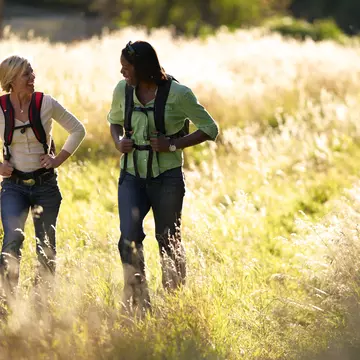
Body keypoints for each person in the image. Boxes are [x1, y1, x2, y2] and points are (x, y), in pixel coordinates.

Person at [108, 40, 219, 313]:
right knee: (128, 239)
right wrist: (118, 140)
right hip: (132, 175)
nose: (122, 73)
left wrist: (172, 144)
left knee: (168, 240)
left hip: (167, 177)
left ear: (142, 67)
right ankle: (139, 304)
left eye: (126, 68)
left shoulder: (178, 94)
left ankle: (174, 304)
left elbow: (210, 128)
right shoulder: (122, 90)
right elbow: (113, 122)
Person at [0, 55, 86, 302]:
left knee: (45, 246)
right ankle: (5, 302)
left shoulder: (46, 103)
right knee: (13, 238)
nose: (32, 78)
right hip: (13, 187)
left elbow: (78, 129)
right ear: (11, 80)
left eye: (32, 72)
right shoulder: (0, 108)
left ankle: (42, 304)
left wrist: (57, 159)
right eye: (26, 74)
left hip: (45, 186)